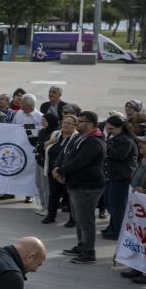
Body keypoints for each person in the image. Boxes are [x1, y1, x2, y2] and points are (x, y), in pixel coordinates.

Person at [54, 110, 105, 265]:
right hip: (77, 185)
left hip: (87, 186)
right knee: (79, 219)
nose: (77, 124)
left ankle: (89, 253)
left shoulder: (94, 142)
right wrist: (58, 168)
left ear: (89, 123)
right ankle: (82, 246)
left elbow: (79, 161)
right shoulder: (81, 138)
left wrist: (61, 170)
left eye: (80, 121)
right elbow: (67, 154)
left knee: (86, 221)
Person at [102, 115, 138, 242]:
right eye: (108, 129)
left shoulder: (125, 140)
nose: (109, 131)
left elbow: (118, 155)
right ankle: (112, 227)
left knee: (117, 206)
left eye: (111, 129)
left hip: (122, 178)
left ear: (120, 127)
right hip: (113, 177)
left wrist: (106, 147)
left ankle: (117, 231)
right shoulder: (115, 138)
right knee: (110, 203)